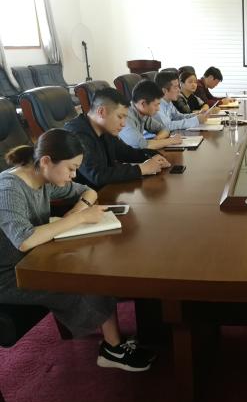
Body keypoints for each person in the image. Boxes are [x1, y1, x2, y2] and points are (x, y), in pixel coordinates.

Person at [0, 129, 155, 371]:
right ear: (46, 161)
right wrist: (79, 218)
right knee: (84, 279)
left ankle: (113, 342)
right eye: (71, 168)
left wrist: (77, 210)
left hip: (34, 257)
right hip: (11, 273)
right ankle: (112, 349)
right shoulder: (9, 188)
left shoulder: (43, 178)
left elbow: (87, 190)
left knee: (96, 265)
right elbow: (24, 240)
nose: (74, 175)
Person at [64, 88, 171, 190]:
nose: (123, 124)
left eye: (125, 118)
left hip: (107, 190)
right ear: (101, 111)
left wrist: (154, 155)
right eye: (120, 117)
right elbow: (97, 175)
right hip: (87, 197)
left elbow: (126, 152)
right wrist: (141, 169)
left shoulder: (105, 129)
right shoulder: (77, 134)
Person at [119, 80, 183, 150]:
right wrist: (171, 141)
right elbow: (142, 145)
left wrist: (157, 139)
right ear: (143, 104)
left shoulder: (143, 114)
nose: (158, 109)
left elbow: (165, 128)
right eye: (156, 105)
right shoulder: (125, 117)